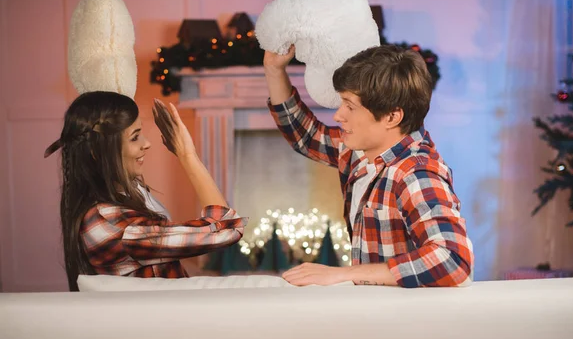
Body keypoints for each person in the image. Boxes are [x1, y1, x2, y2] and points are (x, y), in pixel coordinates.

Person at [264, 44, 474, 287]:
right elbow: (306, 136)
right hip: (372, 310)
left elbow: (453, 260)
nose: (338, 115)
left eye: (350, 106)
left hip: (404, 319)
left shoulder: (414, 174)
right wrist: (274, 70)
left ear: (392, 117)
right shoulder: (361, 153)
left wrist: (343, 274)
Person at [44, 91, 247, 291]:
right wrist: (187, 155)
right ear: (97, 152)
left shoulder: (125, 194)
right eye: (135, 138)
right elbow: (227, 229)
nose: (147, 144)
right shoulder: (113, 225)